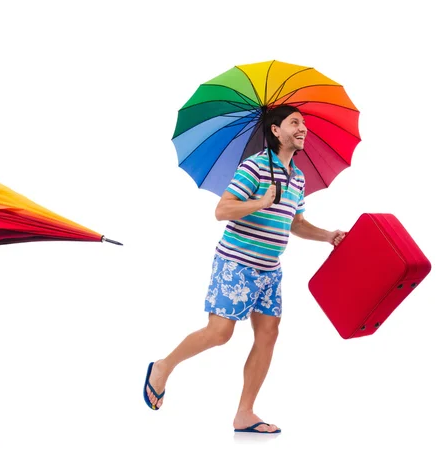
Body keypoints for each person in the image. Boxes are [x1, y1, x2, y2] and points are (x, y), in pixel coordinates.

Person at [143, 105, 346, 433]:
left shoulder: (298, 177)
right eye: (295, 122)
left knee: (268, 336)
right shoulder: (254, 167)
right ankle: (163, 367)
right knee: (219, 334)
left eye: (304, 124)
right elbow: (222, 210)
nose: (303, 128)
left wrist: (327, 236)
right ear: (276, 130)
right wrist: (259, 202)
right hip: (237, 264)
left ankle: (245, 414)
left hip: (270, 269)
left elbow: (296, 222)